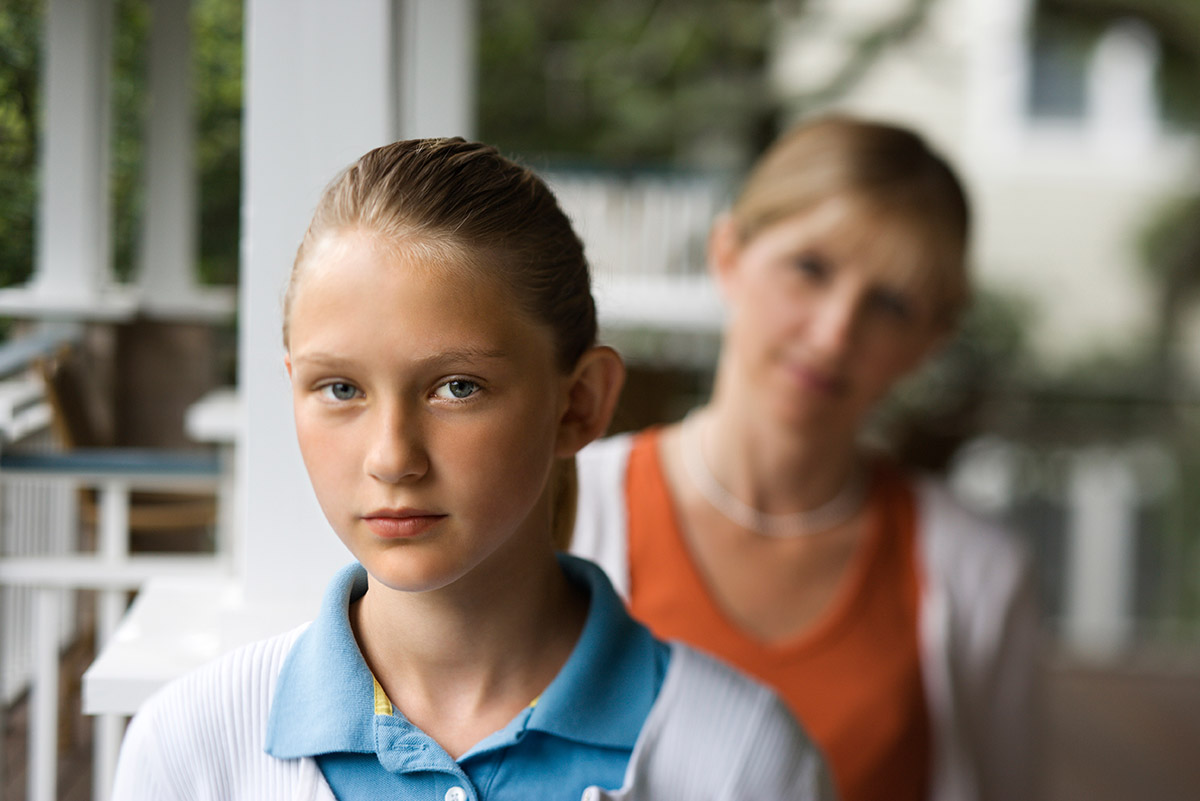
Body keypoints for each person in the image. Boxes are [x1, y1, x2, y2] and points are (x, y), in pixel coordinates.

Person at [109, 138, 834, 801]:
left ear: (579, 404)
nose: (392, 457)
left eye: (458, 387)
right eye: (340, 389)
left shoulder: (744, 759)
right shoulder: (191, 749)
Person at [572, 116, 1041, 801]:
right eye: (810, 269)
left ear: (930, 341)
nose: (833, 333)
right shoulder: (564, 506)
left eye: (889, 303)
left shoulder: (978, 572)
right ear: (728, 252)